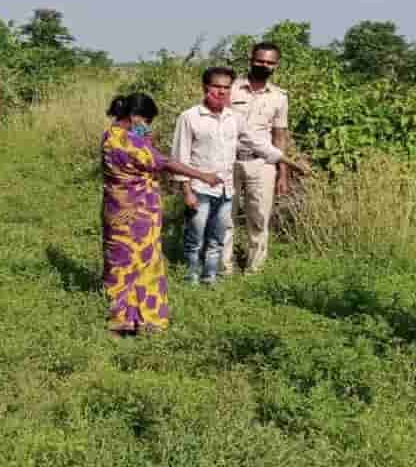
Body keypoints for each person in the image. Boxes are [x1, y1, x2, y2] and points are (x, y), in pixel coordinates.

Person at [101, 93, 222, 334]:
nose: (147, 126)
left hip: (115, 208)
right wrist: (203, 176)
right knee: (145, 261)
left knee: (120, 261)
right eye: (146, 121)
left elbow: (146, 152)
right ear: (136, 117)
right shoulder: (131, 143)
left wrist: (146, 140)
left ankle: (121, 317)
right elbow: (164, 162)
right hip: (139, 213)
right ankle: (148, 318)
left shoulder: (110, 136)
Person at [171, 66, 290, 285]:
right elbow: (179, 157)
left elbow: (256, 142)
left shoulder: (233, 118)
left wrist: (284, 160)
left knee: (217, 235)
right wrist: (186, 191)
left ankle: (211, 276)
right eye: (216, 86)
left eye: (226, 87)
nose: (221, 92)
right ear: (205, 87)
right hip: (199, 187)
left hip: (226, 187)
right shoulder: (189, 117)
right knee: (196, 236)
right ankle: (192, 277)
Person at [223, 42, 292, 276]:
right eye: (260, 60)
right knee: (225, 216)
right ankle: (224, 267)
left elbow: (279, 136)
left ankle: (254, 270)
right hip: (228, 160)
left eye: (270, 62)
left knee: (259, 217)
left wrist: (283, 173)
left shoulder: (280, 97)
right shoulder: (231, 89)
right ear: (251, 59)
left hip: (262, 164)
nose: (264, 65)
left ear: (276, 65)